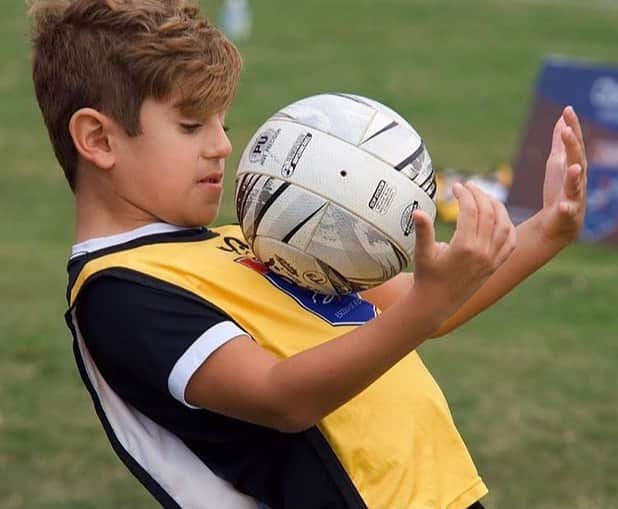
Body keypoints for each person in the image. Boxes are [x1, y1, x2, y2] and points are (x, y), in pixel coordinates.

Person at [29, 1, 588, 508]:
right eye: (191, 124)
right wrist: (427, 305)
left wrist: (547, 229)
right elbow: (282, 397)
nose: (222, 144)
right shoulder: (119, 291)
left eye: (223, 122)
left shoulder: (248, 237)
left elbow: (423, 307)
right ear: (98, 140)